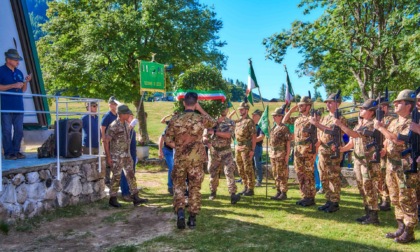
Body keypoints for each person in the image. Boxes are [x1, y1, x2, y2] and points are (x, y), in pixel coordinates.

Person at [165, 92, 216, 229]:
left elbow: (167, 140)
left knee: (179, 186)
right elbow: (213, 123)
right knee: (194, 188)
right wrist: (199, 109)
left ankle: (180, 212)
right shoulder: (200, 119)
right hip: (196, 160)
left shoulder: (176, 119)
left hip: (180, 159)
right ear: (196, 102)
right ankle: (192, 218)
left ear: (184, 103)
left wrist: (180, 146)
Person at [374, 89, 417, 243]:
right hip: (392, 165)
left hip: (405, 166)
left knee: (407, 198)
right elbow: (387, 140)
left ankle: (409, 231)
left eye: (399, 102)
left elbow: (399, 140)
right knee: (395, 197)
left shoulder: (412, 122)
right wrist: (384, 149)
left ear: (408, 105)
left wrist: (380, 128)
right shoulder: (393, 121)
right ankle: (400, 226)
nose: (396, 104)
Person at [337, 99, 381, 224]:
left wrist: (340, 125)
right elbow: (352, 141)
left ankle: (374, 215)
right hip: (358, 160)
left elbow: (355, 135)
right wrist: (342, 149)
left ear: (371, 112)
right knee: (361, 187)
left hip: (368, 162)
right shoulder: (360, 124)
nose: (360, 110)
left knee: (369, 187)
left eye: (363, 109)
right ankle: (367, 212)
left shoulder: (371, 124)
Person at [310, 91, 347, 213]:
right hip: (323, 151)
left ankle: (334, 202)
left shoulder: (340, 118)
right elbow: (322, 132)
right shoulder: (325, 118)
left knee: (333, 177)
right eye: (327, 102)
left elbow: (332, 131)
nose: (328, 105)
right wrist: (319, 141)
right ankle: (328, 200)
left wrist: (316, 124)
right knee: (323, 176)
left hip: (333, 151)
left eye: (330, 102)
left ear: (338, 104)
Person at [104, 104, 148, 207]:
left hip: (126, 155)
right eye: (127, 113)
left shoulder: (125, 124)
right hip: (117, 156)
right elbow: (106, 141)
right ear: (121, 114)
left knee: (131, 175)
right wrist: (108, 157)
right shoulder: (114, 125)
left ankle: (135, 196)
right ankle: (113, 198)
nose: (129, 114)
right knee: (116, 177)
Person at [283, 95, 317, 206]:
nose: (300, 107)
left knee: (308, 174)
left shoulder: (312, 119)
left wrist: (314, 151)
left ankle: (310, 197)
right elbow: (284, 120)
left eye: (302, 105)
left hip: (308, 150)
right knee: (299, 173)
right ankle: (304, 196)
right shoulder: (298, 119)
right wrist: (292, 109)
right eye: (299, 105)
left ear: (308, 106)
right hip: (298, 150)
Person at [204, 105, 241, 204]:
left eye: (226, 108)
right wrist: (207, 141)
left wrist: (215, 132)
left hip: (226, 151)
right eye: (222, 108)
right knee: (213, 172)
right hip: (214, 151)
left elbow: (228, 135)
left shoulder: (231, 122)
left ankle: (233, 194)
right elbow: (205, 135)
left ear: (228, 109)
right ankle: (213, 192)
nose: (224, 110)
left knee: (229, 172)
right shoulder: (211, 122)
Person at [0, 49, 32, 160]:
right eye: (16, 60)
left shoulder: (19, 72)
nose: (18, 62)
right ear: (8, 60)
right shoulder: (1, 71)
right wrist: (13, 85)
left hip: (19, 106)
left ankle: (16, 151)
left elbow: (23, 90)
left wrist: (26, 82)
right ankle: (8, 153)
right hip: (5, 107)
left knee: (19, 130)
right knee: (7, 130)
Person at [376, 95, 395, 211]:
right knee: (378, 176)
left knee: (385, 176)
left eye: (383, 106)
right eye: (380, 106)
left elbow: (389, 137)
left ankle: (386, 200)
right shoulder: (377, 119)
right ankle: (381, 197)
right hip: (376, 151)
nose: (382, 108)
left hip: (386, 151)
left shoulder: (391, 120)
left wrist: (384, 148)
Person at [269, 106, 292, 200]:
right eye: (273, 116)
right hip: (273, 153)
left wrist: (287, 155)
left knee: (281, 173)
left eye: (276, 116)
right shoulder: (274, 127)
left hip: (281, 153)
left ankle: (283, 192)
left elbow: (288, 142)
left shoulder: (284, 128)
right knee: (275, 173)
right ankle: (278, 190)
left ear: (280, 116)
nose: (274, 117)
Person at [234, 102, 256, 196]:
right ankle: (245, 186)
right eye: (239, 109)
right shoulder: (239, 121)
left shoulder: (249, 122)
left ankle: (250, 188)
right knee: (240, 168)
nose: (240, 111)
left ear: (246, 110)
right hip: (238, 147)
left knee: (248, 168)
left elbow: (254, 136)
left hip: (246, 147)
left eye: (242, 109)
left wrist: (252, 150)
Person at [158, 125, 174, 195]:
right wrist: (160, 150)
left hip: (177, 151)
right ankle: (170, 186)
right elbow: (162, 138)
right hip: (168, 151)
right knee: (172, 167)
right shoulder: (168, 128)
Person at [252, 109, 265, 187]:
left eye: (254, 115)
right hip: (250, 147)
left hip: (257, 147)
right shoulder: (252, 125)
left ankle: (259, 180)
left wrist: (252, 141)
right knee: (250, 164)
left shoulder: (261, 125)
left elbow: (261, 137)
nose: (253, 116)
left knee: (257, 164)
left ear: (259, 116)